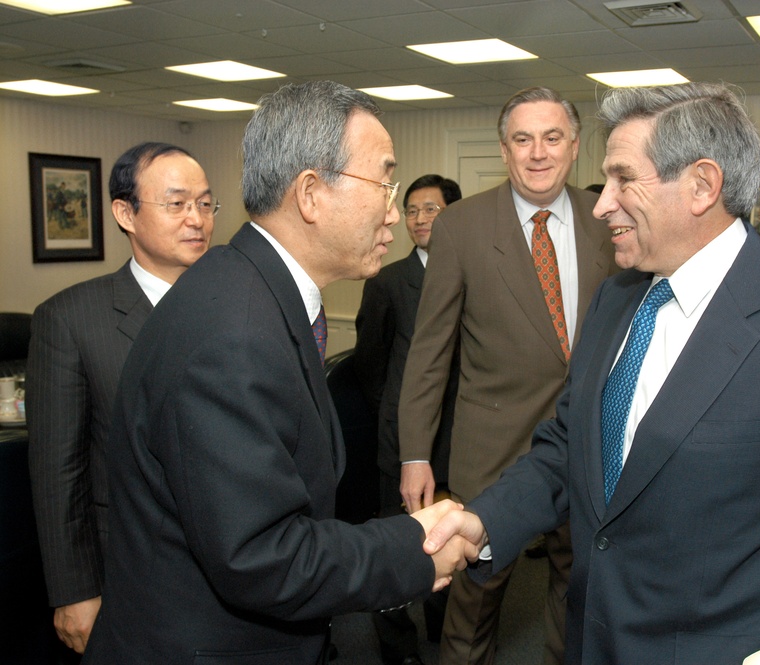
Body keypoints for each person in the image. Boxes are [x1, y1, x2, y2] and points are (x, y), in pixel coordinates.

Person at [425, 82, 760, 664]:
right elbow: (570, 449)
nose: (600, 203)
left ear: (702, 185)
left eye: (622, 178)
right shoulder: (615, 300)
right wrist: (484, 521)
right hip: (594, 638)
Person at [82, 81, 471, 665]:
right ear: (311, 194)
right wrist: (413, 546)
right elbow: (261, 555)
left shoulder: (250, 291)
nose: (395, 211)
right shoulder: (233, 332)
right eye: (385, 183)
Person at [398, 86, 618, 665]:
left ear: (575, 147)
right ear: (504, 150)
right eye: (523, 139)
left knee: (578, 599)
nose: (537, 152)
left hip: (585, 448)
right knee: (472, 612)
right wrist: (415, 454)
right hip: (490, 454)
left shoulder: (607, 226)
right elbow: (429, 352)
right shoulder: (462, 226)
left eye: (551, 138)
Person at [27, 142, 215, 657]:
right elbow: (57, 472)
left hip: (234, 569)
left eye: (205, 203)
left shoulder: (236, 304)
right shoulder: (70, 319)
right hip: (133, 569)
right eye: (176, 204)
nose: (196, 219)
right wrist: (75, 590)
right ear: (125, 213)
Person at [354, 174, 463, 665]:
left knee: (453, 536)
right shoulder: (389, 280)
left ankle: (445, 628)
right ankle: (397, 647)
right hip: (401, 441)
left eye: (431, 209)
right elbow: (371, 364)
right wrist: (397, 417)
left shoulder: (470, 271)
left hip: (458, 438)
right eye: (412, 210)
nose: (418, 219)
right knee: (394, 542)